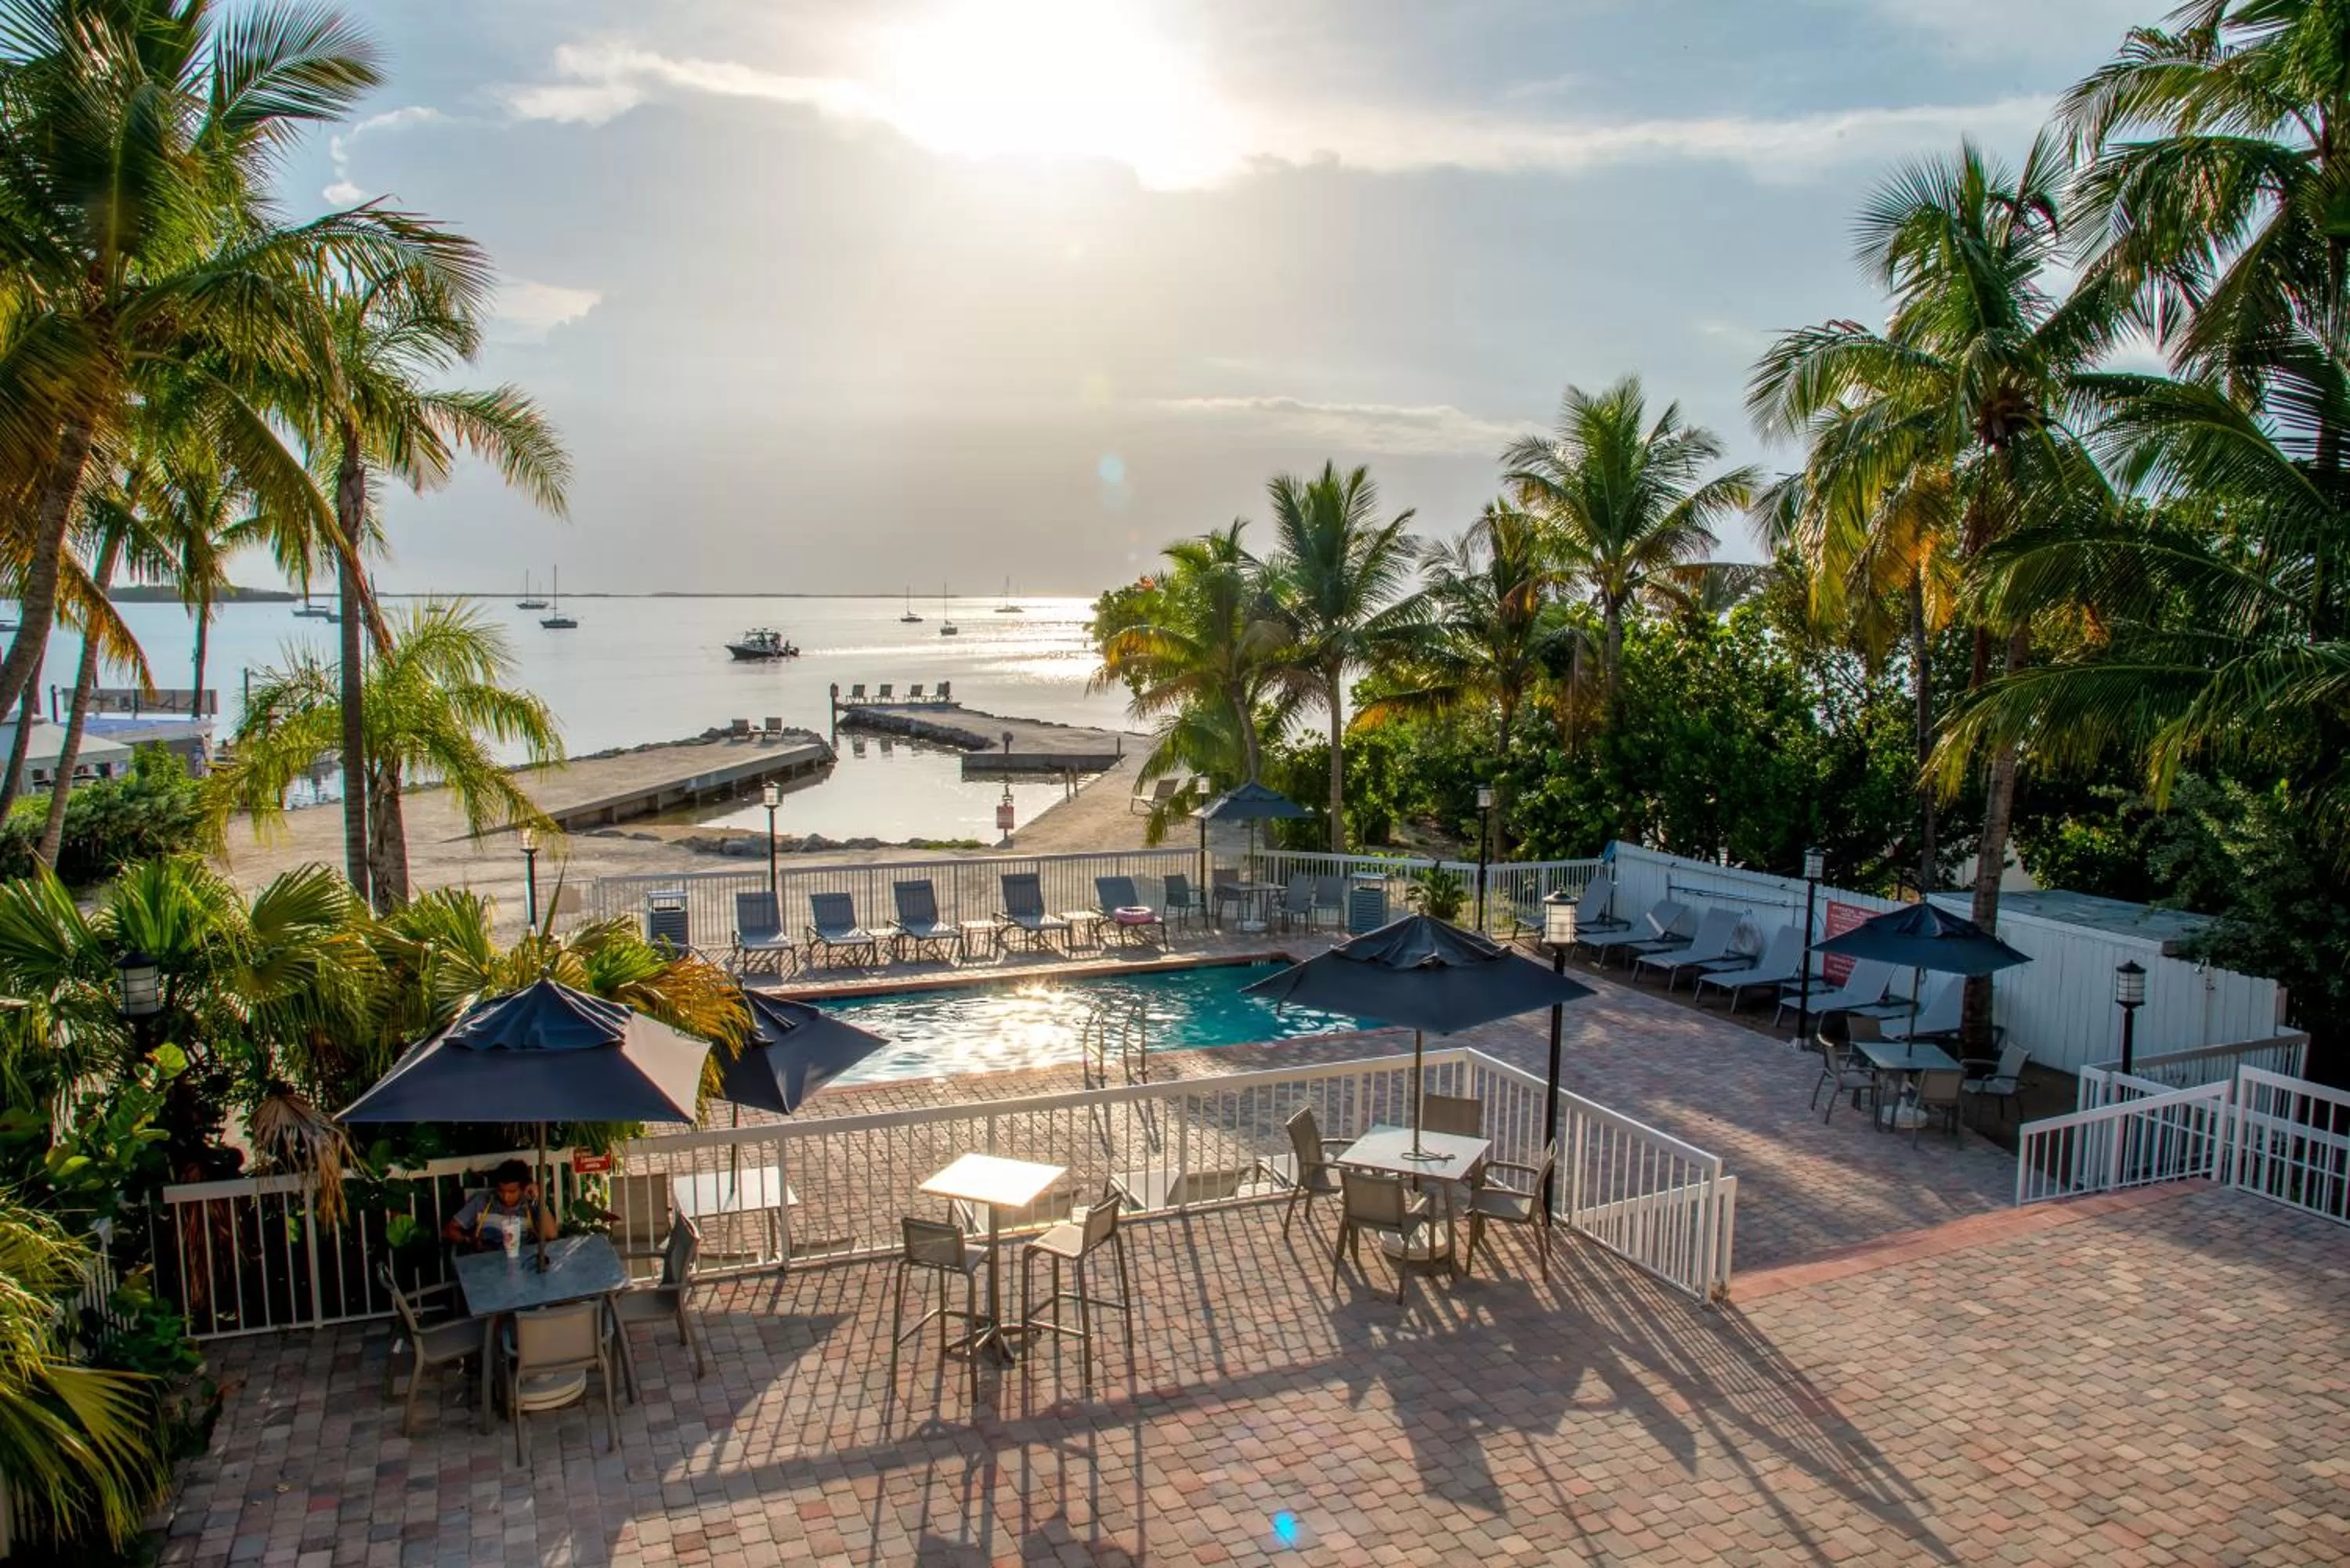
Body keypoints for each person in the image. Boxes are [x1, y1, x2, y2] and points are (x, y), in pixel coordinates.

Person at [444, 1158, 559, 1252]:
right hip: (487, 1261)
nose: (505, 1197)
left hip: (523, 1261)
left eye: (512, 1192)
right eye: (501, 1191)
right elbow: (451, 1229)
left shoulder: (530, 1204)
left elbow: (552, 1235)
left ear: (523, 1188)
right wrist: (469, 1241)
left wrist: (538, 1199)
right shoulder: (482, 1201)